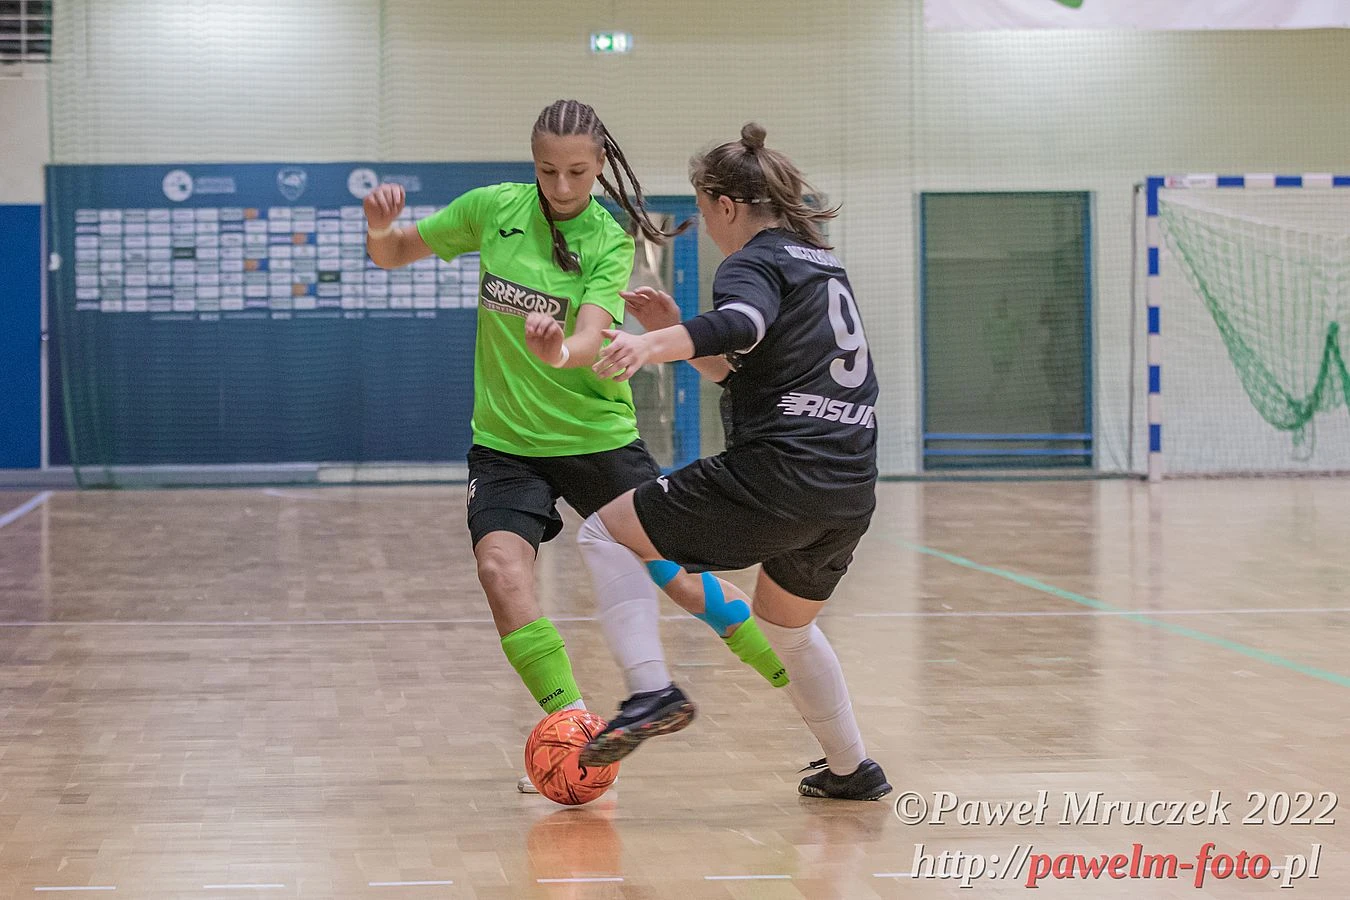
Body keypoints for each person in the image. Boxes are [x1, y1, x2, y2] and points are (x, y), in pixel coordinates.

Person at [362, 100, 788, 792]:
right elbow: (393, 253)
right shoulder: (492, 209)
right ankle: (575, 729)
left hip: (596, 436)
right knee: (500, 570)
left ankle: (789, 673)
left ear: (600, 165)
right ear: (532, 163)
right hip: (505, 441)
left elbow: (590, 335)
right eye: (548, 170)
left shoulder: (608, 238)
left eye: (578, 172)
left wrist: (559, 351)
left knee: (674, 574)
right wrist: (380, 227)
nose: (562, 187)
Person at [558, 122, 891, 801]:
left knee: (603, 532)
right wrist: (672, 329)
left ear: (727, 204)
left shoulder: (752, 263)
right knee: (785, 629)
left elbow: (742, 324)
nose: (707, 226)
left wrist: (651, 346)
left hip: (778, 474)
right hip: (849, 489)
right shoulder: (818, 262)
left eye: (704, 209)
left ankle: (650, 692)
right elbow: (743, 372)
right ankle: (851, 768)